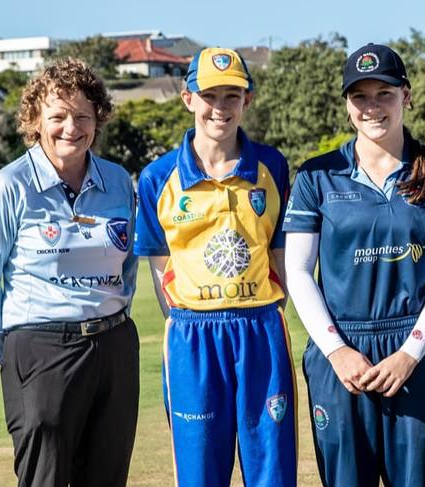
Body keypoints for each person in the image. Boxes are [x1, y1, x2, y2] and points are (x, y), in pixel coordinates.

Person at [284, 43, 425, 486]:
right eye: (360, 96)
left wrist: (410, 353)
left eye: (384, 94)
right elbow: (298, 271)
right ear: (347, 103)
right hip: (340, 353)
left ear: (406, 95)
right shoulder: (316, 176)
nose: (372, 108)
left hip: (414, 350)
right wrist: (336, 351)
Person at [133, 47, 296, 487]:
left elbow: (280, 254)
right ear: (188, 98)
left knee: (272, 471)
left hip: (261, 329)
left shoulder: (272, 166)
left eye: (231, 95)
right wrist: (189, 320)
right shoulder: (157, 177)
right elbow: (159, 267)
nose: (219, 108)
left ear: (247, 100)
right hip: (193, 335)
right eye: (209, 95)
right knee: (200, 473)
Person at [0, 58, 139, 487]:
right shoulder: (10, 185)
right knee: (46, 478)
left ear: (98, 119)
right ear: (35, 121)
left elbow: (128, 264)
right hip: (39, 349)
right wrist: (10, 355)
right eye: (57, 116)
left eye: (83, 116)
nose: (70, 128)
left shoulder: (117, 181)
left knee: (107, 476)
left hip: (113, 345)